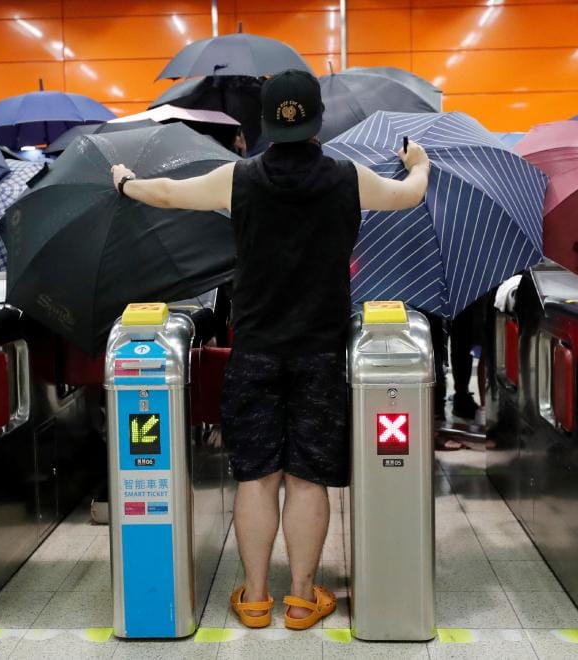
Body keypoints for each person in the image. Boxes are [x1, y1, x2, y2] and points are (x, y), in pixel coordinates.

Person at [110, 69, 430, 630]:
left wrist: (125, 183)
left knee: (257, 476)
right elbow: (408, 196)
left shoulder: (238, 178)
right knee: (307, 478)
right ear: (317, 120)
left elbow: (167, 194)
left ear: (263, 123)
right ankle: (302, 598)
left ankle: (256, 597)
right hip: (321, 352)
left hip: (255, 349)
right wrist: (418, 163)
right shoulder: (348, 178)